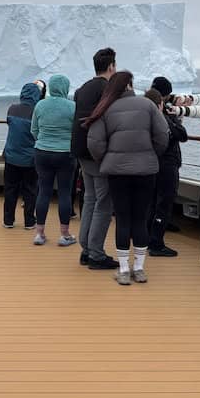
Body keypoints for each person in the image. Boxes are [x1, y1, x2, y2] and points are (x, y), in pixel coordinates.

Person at [85, 71, 168, 285]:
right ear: (130, 85)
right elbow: (162, 135)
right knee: (140, 219)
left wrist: (109, 158)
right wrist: (150, 154)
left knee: (122, 219)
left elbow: (94, 142)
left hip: (117, 173)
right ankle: (139, 268)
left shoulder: (105, 109)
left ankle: (123, 270)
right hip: (145, 172)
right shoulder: (148, 105)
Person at [72, 48, 117, 270]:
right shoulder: (108, 90)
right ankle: (96, 254)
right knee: (104, 202)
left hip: (81, 151)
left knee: (90, 199)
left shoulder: (82, 89)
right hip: (98, 152)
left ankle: (86, 249)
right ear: (111, 66)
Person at [31, 75, 77, 246]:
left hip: (42, 152)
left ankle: (39, 233)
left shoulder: (40, 105)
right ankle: (64, 235)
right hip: (65, 153)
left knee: (43, 191)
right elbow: (77, 132)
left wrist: (43, 141)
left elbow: (34, 130)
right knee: (64, 192)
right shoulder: (73, 106)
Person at [146, 77, 188, 257]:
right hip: (166, 163)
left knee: (152, 201)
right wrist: (175, 117)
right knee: (164, 202)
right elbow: (182, 135)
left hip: (151, 163)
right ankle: (156, 243)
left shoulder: (144, 113)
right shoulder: (161, 116)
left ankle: (149, 235)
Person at [2, 83, 40, 229]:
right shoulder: (37, 111)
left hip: (11, 155)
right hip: (30, 158)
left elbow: (9, 123)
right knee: (30, 190)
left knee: (10, 189)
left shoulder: (12, 108)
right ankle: (29, 221)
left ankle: (8, 220)